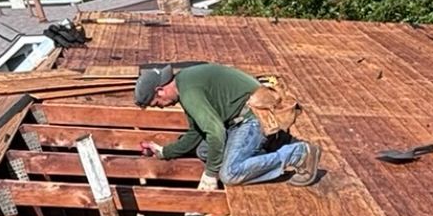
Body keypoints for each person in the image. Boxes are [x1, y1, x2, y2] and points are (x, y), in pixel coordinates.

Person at [133, 61, 321, 190]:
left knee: (230, 174)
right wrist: (164, 152)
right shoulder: (185, 83)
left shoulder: (189, 92)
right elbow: (196, 133)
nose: (162, 107)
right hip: (239, 119)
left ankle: (299, 154)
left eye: (157, 103)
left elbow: (215, 132)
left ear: (160, 90)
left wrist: (210, 174)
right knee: (204, 151)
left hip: (253, 117)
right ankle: (258, 154)